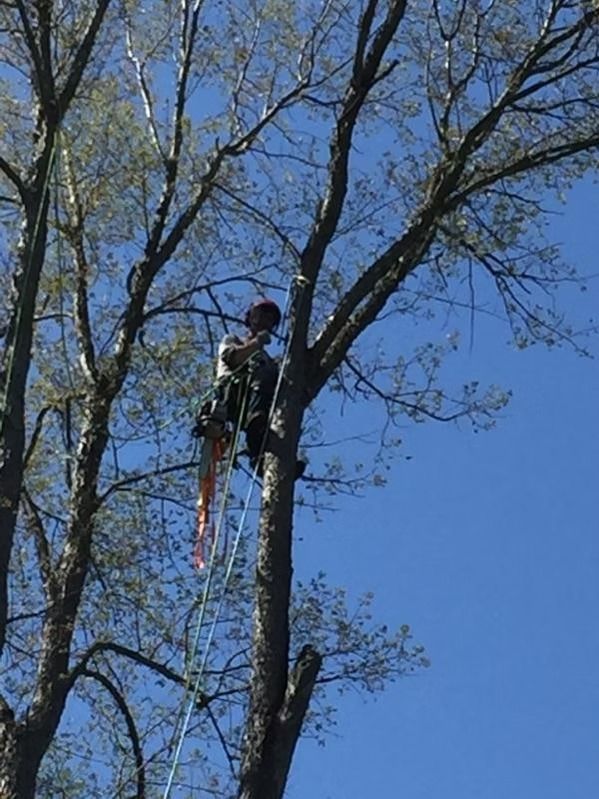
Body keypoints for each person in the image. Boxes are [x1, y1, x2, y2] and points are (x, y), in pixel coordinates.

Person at [214, 298, 305, 479]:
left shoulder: (268, 361)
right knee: (265, 375)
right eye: (262, 314)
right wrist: (257, 343)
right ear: (251, 317)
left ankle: (275, 457)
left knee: (275, 380)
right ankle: (257, 441)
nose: (266, 319)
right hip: (232, 393)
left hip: (255, 400)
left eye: (270, 318)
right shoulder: (233, 340)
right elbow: (233, 358)